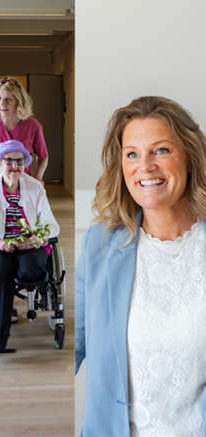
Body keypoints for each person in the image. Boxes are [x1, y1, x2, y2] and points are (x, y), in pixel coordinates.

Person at [76, 96, 206, 436]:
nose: (145, 166)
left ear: (190, 158)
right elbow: (69, 346)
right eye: (132, 154)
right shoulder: (97, 247)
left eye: (161, 150)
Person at [0, 139, 59, 354]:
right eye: (9, 160)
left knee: (32, 272)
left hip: (29, 245)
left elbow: (51, 226)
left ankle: (38, 296)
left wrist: (32, 240)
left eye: (19, 161)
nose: (14, 166)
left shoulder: (35, 187)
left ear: (25, 163)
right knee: (2, 271)